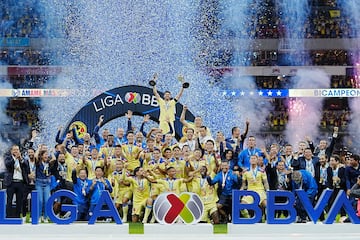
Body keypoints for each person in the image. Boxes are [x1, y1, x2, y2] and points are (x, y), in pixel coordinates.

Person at [240, 155, 270, 220]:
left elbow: (265, 182)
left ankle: (267, 220)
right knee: (242, 206)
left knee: (267, 205)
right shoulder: (245, 171)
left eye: (254, 158)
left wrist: (268, 191)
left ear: (257, 160)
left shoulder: (261, 171)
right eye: (251, 158)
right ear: (249, 160)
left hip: (260, 191)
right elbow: (243, 184)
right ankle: (248, 219)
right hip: (250, 191)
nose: (253, 160)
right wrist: (241, 191)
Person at [4, 145, 29, 219]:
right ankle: (8, 217)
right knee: (9, 201)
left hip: (20, 182)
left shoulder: (22, 159)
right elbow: (8, 164)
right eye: (14, 150)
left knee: (19, 201)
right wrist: (15, 158)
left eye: (17, 150)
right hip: (11, 182)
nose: (16, 151)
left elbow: (26, 167)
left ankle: (17, 216)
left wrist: (20, 159)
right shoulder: (8, 158)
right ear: (11, 151)